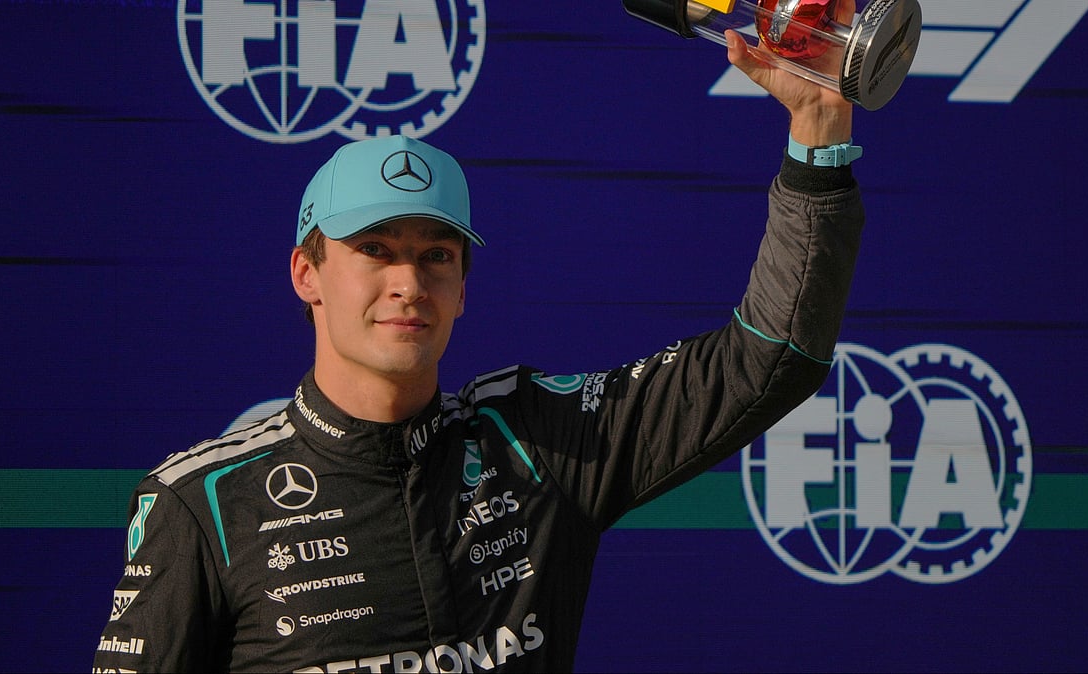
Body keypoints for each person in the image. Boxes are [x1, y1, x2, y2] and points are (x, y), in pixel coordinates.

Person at [94, 30, 865, 673]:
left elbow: (768, 358)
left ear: (463, 285)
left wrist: (818, 134)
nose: (408, 281)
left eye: (437, 255)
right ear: (308, 274)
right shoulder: (204, 505)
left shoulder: (534, 443)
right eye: (375, 248)